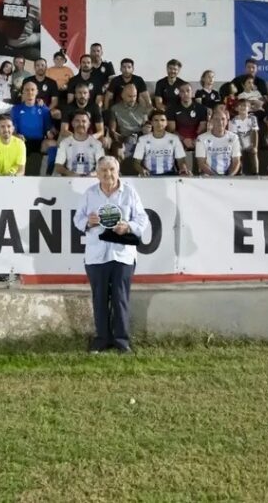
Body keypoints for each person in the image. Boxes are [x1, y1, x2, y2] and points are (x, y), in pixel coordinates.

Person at [73, 156, 149, 354]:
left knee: (120, 298)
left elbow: (142, 218)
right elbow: (77, 219)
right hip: (96, 254)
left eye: (112, 170)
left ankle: (122, 340)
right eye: (104, 171)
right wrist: (88, 222)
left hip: (122, 254)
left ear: (118, 172)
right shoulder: (90, 194)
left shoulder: (130, 192)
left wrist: (129, 226)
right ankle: (101, 339)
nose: (108, 174)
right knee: (99, 298)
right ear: (97, 174)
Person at [132, 110, 189, 176]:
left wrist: (183, 169)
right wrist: (141, 170)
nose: (159, 123)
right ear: (151, 123)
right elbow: (136, 162)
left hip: (170, 174)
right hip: (149, 175)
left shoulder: (174, 138)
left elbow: (181, 160)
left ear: (166, 122)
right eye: (156, 120)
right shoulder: (142, 140)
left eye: (162, 120)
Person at [54, 111, 104, 177]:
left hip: (91, 179)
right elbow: (58, 166)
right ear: (72, 123)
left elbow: (103, 165)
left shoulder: (97, 144)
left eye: (84, 121)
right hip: (70, 179)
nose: (80, 124)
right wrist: (69, 173)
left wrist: (92, 174)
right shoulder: (64, 143)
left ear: (89, 124)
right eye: (77, 121)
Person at [194, 110, 242, 176]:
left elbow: (236, 161)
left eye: (223, 119)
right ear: (211, 121)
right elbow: (201, 163)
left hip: (229, 175)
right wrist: (216, 178)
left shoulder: (234, 137)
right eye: (216, 119)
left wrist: (229, 177)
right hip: (209, 175)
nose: (220, 122)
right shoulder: (201, 138)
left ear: (227, 121)